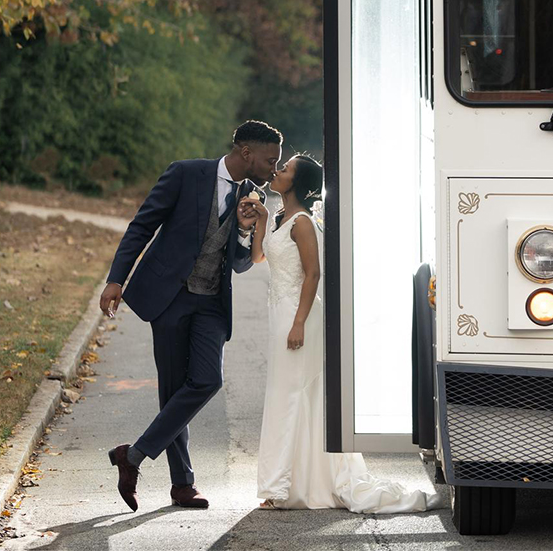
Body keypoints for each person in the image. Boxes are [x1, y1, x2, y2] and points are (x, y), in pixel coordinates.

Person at [98, 121, 282, 511]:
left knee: (206, 380)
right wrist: (116, 279)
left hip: (212, 303)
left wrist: (247, 231)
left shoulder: (253, 196)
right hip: (170, 297)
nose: (273, 168)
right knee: (173, 390)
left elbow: (239, 264)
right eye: (270, 160)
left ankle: (131, 456)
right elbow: (142, 226)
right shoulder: (185, 173)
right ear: (246, 152)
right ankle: (182, 485)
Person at [245, 154, 438, 512]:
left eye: (284, 169)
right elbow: (259, 258)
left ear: (297, 183)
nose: (277, 170)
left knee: (292, 395)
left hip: (298, 314)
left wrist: (300, 321)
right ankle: (289, 482)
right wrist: (261, 221)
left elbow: (313, 274)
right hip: (280, 312)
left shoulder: (302, 222)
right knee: (286, 393)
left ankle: (281, 486)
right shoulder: (280, 218)